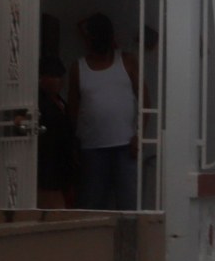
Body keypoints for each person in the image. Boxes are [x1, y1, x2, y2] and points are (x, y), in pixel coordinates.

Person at [67, 13, 139, 210]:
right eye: (95, 35)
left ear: (111, 36)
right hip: (92, 149)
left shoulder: (128, 61)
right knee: (92, 205)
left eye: (103, 34)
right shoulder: (78, 67)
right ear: (89, 38)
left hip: (125, 147)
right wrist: (75, 142)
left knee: (128, 205)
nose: (99, 38)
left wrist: (138, 135)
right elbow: (73, 108)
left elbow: (145, 101)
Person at [36, 56, 76, 209]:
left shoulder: (60, 102)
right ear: (43, 78)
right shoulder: (40, 103)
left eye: (60, 76)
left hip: (61, 164)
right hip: (47, 164)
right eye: (53, 76)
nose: (58, 81)